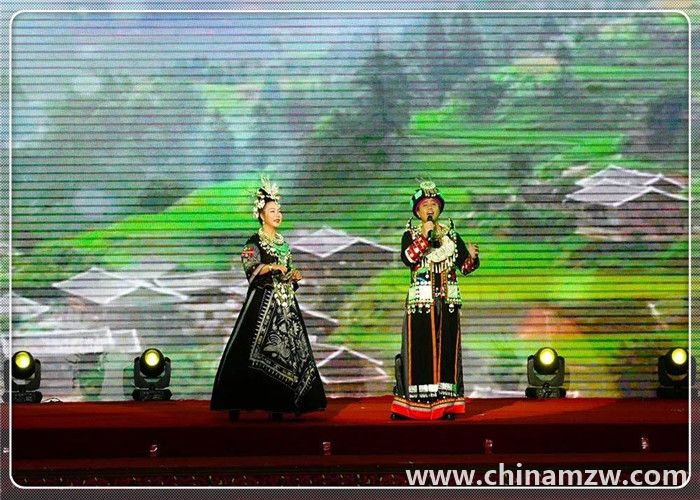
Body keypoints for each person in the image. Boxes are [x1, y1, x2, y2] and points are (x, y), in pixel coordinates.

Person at [210, 177, 326, 421]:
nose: (278, 215)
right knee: (249, 350)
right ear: (261, 215)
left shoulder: (284, 244)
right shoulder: (254, 242)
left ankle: (283, 404)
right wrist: (271, 267)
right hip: (262, 302)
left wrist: (293, 275)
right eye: (272, 211)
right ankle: (237, 402)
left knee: (291, 350)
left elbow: (288, 271)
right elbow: (250, 266)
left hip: (285, 304)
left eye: (279, 210)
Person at [391, 181, 480, 420]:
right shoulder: (410, 235)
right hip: (421, 304)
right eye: (425, 205)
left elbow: (464, 268)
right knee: (419, 352)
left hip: (447, 302)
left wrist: (472, 258)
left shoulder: (452, 235)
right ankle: (413, 405)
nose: (430, 208)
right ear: (417, 211)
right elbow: (409, 258)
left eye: (434, 204)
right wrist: (425, 236)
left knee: (447, 352)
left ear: (440, 208)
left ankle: (446, 404)